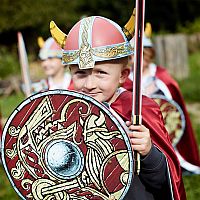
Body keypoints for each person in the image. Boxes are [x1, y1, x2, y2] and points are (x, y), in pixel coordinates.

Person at [50, 15, 186, 200]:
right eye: (81, 73)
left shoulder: (139, 109)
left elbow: (164, 181)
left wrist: (148, 153)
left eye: (101, 73)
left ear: (123, 75)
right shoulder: (63, 113)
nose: (89, 84)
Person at [123, 23, 200, 174]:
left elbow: (172, 107)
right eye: (131, 57)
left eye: (141, 56)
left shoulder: (161, 76)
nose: (136, 61)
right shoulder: (126, 78)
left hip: (161, 123)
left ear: (149, 55)